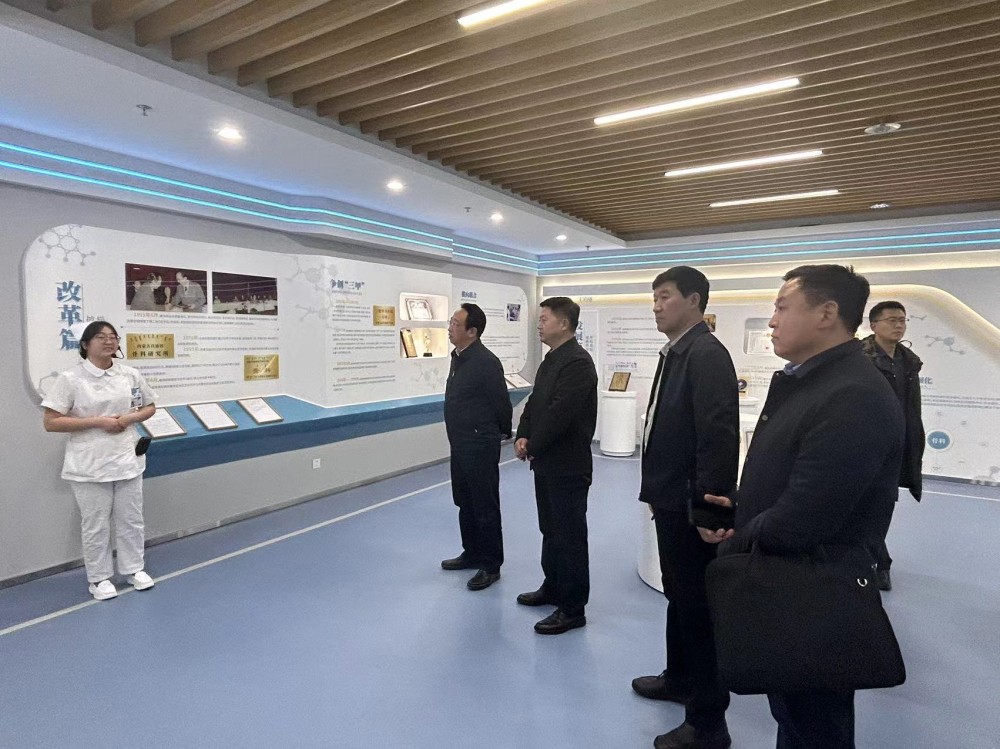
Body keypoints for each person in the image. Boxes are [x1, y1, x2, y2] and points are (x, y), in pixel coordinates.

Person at [699, 265, 903, 749]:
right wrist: (741, 507)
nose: (772, 320)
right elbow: (800, 478)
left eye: (782, 307)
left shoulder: (852, 393)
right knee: (797, 715)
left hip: (814, 592)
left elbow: (807, 516)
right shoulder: (816, 382)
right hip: (793, 582)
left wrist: (739, 540)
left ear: (827, 314)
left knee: (814, 724)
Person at [633, 267, 739, 749]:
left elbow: (717, 437)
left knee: (698, 608)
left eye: (665, 297)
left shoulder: (706, 354)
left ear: (694, 300)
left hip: (692, 508)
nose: (656, 306)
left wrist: (709, 513)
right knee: (679, 595)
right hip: (671, 499)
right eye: (654, 298)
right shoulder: (679, 352)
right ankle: (679, 678)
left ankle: (708, 722)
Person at [41, 321, 158, 601]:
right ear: (85, 344)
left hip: (127, 457)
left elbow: (149, 406)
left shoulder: (130, 374)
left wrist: (129, 418)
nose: (109, 341)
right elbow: (51, 422)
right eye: (100, 337)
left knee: (131, 518)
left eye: (113, 336)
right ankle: (99, 578)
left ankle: (134, 569)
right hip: (89, 463)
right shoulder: (70, 379)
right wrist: (98, 422)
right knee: (96, 523)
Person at [514, 297, 598, 635]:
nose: (539, 324)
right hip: (547, 463)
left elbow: (560, 413)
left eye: (544, 319)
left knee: (570, 536)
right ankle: (553, 586)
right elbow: (536, 403)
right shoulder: (551, 360)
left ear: (564, 324)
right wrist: (523, 434)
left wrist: (532, 444)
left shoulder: (577, 363)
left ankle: (573, 608)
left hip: (568, 466)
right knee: (550, 530)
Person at [441, 303, 513, 591]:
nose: (450, 328)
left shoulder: (486, 362)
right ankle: (471, 552)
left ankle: (491, 564)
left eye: (455, 324)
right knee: (465, 501)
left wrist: (499, 434)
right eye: (451, 322)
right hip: (459, 443)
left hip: (480, 444)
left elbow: (501, 403)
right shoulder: (458, 358)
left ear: (472, 331)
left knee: (484, 504)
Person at [862, 301, 925, 591]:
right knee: (861, 505)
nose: (899, 325)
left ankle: (878, 561)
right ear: (874, 325)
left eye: (902, 320)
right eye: (892, 320)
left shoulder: (909, 361)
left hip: (898, 445)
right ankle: (876, 560)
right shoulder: (859, 358)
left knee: (883, 505)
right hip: (866, 444)